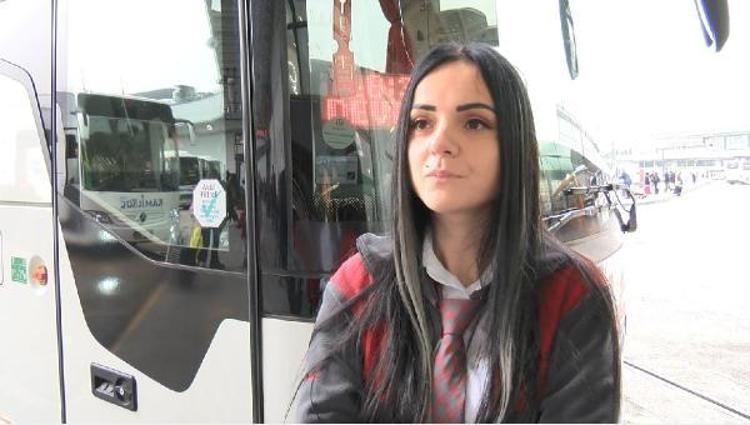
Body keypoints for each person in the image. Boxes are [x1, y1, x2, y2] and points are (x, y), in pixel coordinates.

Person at [292, 43, 620, 423]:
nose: (439, 143)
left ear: (513, 144)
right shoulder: (357, 286)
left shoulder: (572, 295)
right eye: (421, 123)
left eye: (474, 123)